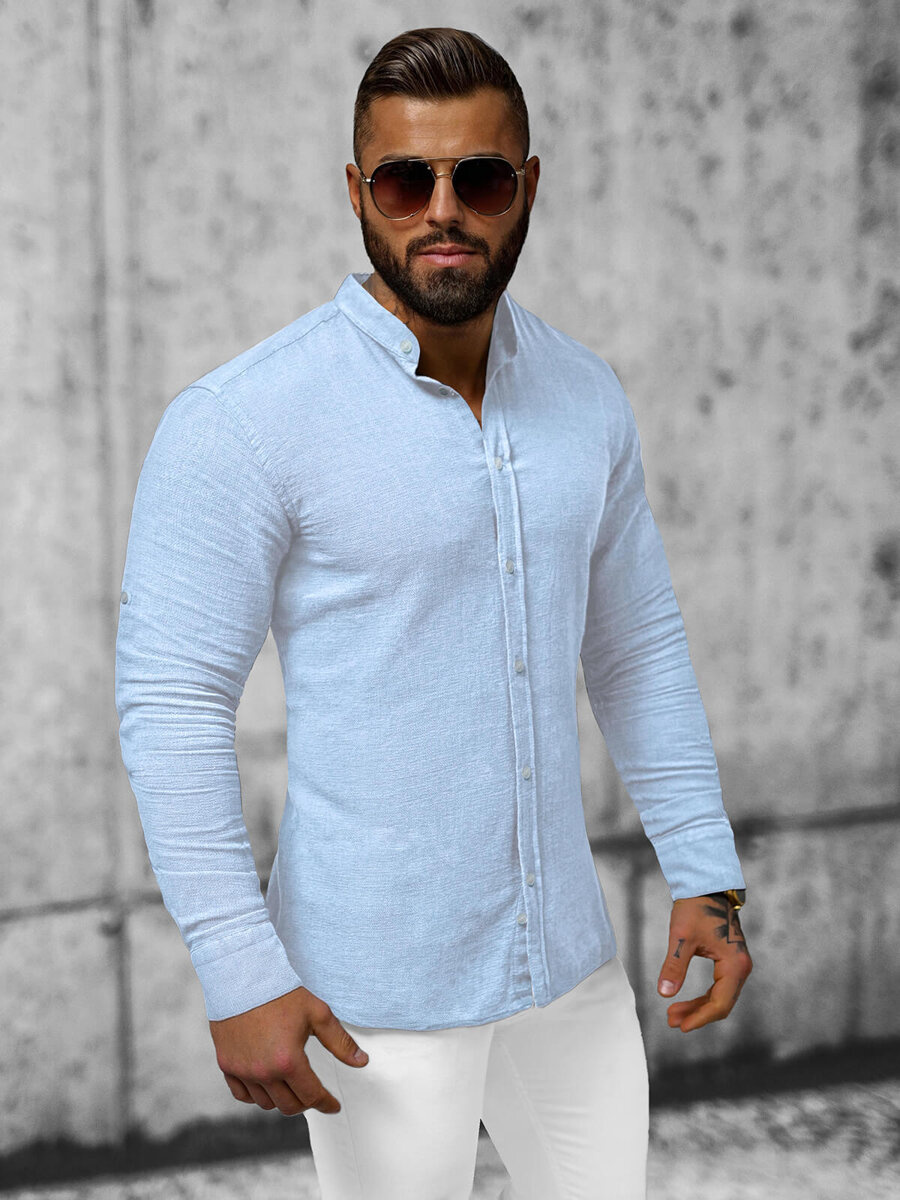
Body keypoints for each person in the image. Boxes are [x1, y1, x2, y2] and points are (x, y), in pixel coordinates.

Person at [114, 25, 752, 1200]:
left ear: (529, 188)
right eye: (406, 181)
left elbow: (636, 648)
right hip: (375, 998)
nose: (443, 211)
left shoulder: (585, 394)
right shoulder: (244, 419)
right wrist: (239, 967)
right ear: (358, 190)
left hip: (566, 969)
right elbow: (172, 702)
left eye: (481, 179)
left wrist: (705, 872)